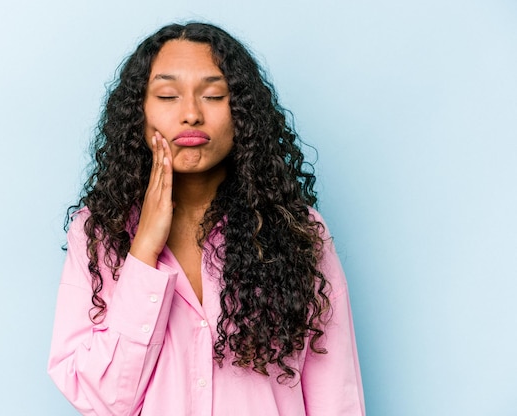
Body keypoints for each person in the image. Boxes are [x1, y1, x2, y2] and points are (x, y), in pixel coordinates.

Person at [48, 22, 365, 415]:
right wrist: (144, 249)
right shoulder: (97, 235)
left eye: (214, 95)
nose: (192, 114)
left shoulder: (299, 232)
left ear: (243, 114)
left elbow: (336, 397)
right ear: (139, 113)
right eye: (167, 95)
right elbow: (102, 398)